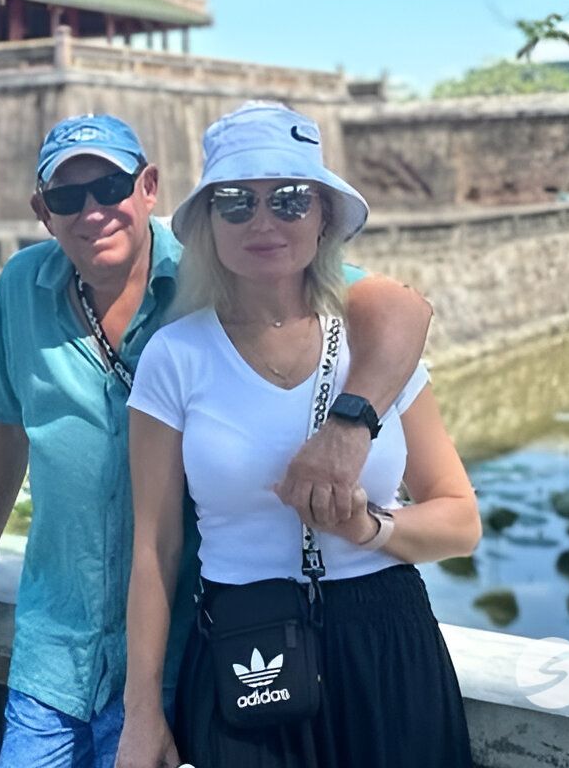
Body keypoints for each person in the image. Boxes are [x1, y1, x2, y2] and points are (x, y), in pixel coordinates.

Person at [0, 113, 435, 768]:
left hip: (179, 649)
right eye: (67, 197)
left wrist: (349, 424)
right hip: (55, 638)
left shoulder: (221, 267)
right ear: (42, 211)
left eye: (111, 188)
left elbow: (401, 307)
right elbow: (5, 429)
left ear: (148, 186)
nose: (93, 212)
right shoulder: (20, 291)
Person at [118, 104, 479, 768]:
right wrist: (141, 714)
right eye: (235, 202)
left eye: (288, 200)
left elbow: (461, 521)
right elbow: (155, 549)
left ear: (322, 218)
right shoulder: (176, 356)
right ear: (206, 224)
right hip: (245, 643)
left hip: (386, 642)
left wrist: (373, 530)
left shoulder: (374, 352)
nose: (263, 221)